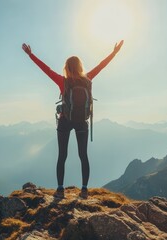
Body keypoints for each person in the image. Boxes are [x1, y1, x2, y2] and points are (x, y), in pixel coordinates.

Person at [22, 40, 124, 199]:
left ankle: (60, 189)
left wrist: (30, 55)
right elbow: (101, 66)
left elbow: (46, 69)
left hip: (65, 120)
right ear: (80, 66)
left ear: (67, 68)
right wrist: (114, 52)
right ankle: (84, 190)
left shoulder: (63, 81)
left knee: (62, 156)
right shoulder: (87, 79)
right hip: (82, 121)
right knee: (83, 155)